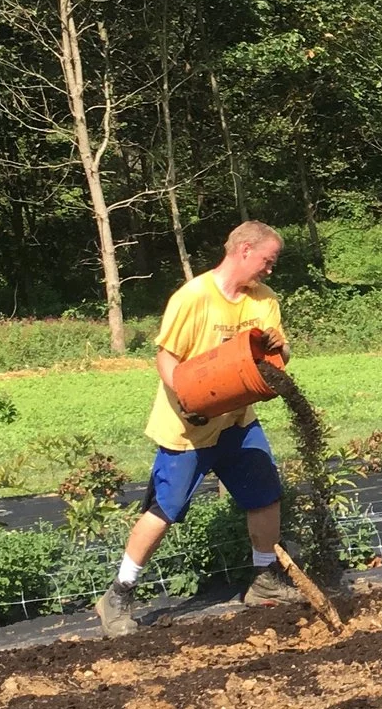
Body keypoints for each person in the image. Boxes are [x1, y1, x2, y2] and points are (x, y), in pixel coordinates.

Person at [96, 221, 298, 634]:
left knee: (265, 496)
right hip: (188, 427)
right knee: (164, 510)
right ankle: (118, 594)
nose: (269, 270)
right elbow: (165, 358)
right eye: (267, 261)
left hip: (238, 421)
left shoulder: (265, 301)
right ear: (244, 250)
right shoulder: (194, 298)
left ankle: (264, 580)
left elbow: (279, 360)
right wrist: (189, 398)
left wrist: (282, 347)